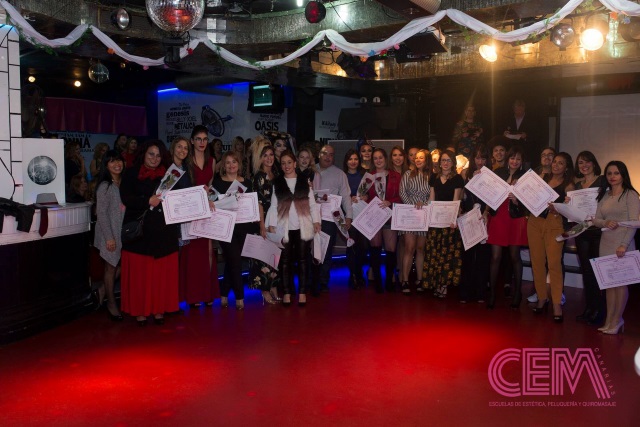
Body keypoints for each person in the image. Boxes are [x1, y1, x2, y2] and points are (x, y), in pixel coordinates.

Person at [120, 140, 179, 326]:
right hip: (140, 234)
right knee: (141, 276)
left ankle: (159, 310)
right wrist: (147, 201)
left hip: (164, 232)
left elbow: (179, 199)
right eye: (151, 154)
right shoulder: (131, 173)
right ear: (143, 154)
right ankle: (140, 312)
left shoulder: (170, 176)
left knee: (160, 275)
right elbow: (126, 198)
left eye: (158, 155)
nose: (154, 158)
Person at [266, 150, 321, 306]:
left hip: (304, 227)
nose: (286, 166)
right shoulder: (277, 183)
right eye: (283, 163)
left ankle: (302, 292)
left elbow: (312, 204)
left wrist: (316, 221)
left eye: (289, 162)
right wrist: (272, 225)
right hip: (284, 228)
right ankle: (287, 293)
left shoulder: (304, 181)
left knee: (303, 260)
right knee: (285, 261)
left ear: (295, 163)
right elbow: (274, 205)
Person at [592, 161, 639, 334]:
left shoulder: (631, 195)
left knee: (620, 285)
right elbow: (596, 220)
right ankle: (609, 320)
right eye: (609, 173)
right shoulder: (604, 195)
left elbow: (634, 223)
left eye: (616, 173)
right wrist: (606, 222)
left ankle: (618, 320)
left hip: (622, 245)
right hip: (606, 243)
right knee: (609, 285)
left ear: (623, 175)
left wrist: (624, 245)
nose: (612, 176)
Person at [528, 152, 575, 323]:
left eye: (560, 163)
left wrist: (561, 209)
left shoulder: (569, 185)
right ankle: (542, 298)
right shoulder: (542, 179)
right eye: (554, 162)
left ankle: (556, 303)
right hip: (534, 221)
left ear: (566, 167)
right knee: (537, 262)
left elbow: (571, 212)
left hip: (555, 224)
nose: (555, 165)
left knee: (554, 264)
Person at [178, 126, 219, 308]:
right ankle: (194, 295)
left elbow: (210, 187)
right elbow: (182, 187)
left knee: (208, 251)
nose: (202, 142)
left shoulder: (212, 161)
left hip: (207, 210)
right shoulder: (186, 162)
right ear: (192, 140)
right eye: (198, 139)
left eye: (205, 139)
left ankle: (207, 292)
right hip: (191, 210)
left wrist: (210, 197)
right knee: (192, 253)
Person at [485, 146, 528, 309]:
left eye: (518, 159)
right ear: (508, 159)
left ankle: (517, 292)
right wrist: (486, 212)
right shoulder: (498, 173)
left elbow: (529, 203)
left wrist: (518, 200)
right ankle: (492, 293)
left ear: (522, 162)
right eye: (512, 158)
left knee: (515, 256)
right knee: (495, 257)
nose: (515, 161)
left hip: (516, 219)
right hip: (498, 217)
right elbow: (489, 194)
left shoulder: (525, 177)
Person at [212, 151, 255, 310]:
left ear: (239, 164)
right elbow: (211, 203)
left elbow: (253, 206)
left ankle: (223, 293)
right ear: (223, 165)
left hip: (244, 228)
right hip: (225, 229)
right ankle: (239, 297)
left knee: (232, 261)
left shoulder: (248, 183)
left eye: (234, 162)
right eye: (228, 162)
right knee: (235, 260)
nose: (231, 165)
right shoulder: (217, 183)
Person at [423, 150, 463, 299]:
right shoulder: (433, 177)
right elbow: (431, 199)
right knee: (435, 253)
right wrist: (427, 214)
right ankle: (436, 283)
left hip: (449, 222)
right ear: (439, 162)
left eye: (448, 160)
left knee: (446, 255)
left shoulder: (457, 179)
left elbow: (456, 201)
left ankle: (444, 285)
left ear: (453, 163)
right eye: (443, 160)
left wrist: (453, 219)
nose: (445, 163)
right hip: (435, 221)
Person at [573, 151, 607, 325]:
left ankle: (600, 310)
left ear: (594, 163)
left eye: (587, 162)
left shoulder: (603, 181)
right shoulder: (577, 186)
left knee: (597, 271)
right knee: (586, 271)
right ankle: (589, 308)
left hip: (598, 232)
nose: (584, 165)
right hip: (582, 231)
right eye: (580, 163)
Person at [314, 144, 353, 294]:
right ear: (319, 154)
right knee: (312, 251)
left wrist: (348, 216)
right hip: (311, 218)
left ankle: (323, 283)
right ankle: (311, 281)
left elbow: (345, 197)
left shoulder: (339, 174)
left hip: (329, 219)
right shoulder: (311, 170)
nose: (328, 157)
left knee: (326, 251)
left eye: (331, 154)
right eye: (325, 153)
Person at [362, 147, 401, 293]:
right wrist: (364, 198)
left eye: (381, 157)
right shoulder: (368, 177)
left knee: (391, 249)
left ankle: (389, 280)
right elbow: (363, 195)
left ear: (386, 159)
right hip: (374, 217)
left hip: (390, 216)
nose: (378, 160)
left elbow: (401, 196)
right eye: (375, 158)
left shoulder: (396, 176)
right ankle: (377, 280)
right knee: (375, 248)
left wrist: (390, 201)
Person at [93, 149, 126, 321]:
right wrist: (109, 238)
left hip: (123, 232)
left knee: (123, 266)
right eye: (112, 161)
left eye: (119, 160)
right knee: (110, 267)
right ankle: (111, 303)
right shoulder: (105, 186)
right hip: (109, 232)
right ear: (106, 165)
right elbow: (102, 214)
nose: (117, 164)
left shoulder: (125, 183)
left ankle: (102, 290)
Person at [459, 145, 491, 303]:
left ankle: (480, 292)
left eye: (483, 158)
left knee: (483, 258)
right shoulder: (465, 174)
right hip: (468, 219)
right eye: (477, 157)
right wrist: (461, 212)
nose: (480, 161)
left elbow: (493, 199)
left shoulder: (491, 176)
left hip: (483, 219)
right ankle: (465, 291)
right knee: (468, 257)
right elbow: (461, 197)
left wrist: (486, 212)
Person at [250, 145, 281, 304]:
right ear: (260, 158)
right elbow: (259, 204)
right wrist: (262, 226)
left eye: (271, 155)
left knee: (274, 255)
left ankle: (274, 286)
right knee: (262, 258)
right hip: (263, 220)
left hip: (276, 220)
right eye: (265, 155)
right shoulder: (259, 177)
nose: (269, 158)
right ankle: (264, 291)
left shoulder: (276, 173)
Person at [399, 149, 431, 294]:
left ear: (426, 160)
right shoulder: (407, 174)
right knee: (409, 248)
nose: (418, 160)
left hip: (424, 216)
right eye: (416, 158)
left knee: (420, 249)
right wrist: (412, 206)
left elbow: (432, 194)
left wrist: (423, 204)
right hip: (409, 215)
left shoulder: (430, 176)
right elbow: (402, 192)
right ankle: (405, 280)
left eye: (421, 158)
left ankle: (420, 279)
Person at [343, 148, 367, 289]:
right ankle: (353, 275)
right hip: (349, 216)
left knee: (363, 247)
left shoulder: (365, 175)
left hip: (363, 215)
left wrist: (366, 197)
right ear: (346, 161)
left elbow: (371, 192)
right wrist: (348, 198)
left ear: (359, 161)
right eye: (350, 159)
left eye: (355, 159)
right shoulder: (342, 176)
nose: (353, 162)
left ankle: (359, 273)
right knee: (351, 246)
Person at [504, 99, 537, 165]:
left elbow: (536, 135)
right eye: (516, 110)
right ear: (513, 109)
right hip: (512, 152)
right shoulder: (509, 119)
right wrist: (505, 134)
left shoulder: (531, 120)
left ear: (524, 109)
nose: (518, 112)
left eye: (520, 110)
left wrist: (526, 136)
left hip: (526, 153)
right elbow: (503, 132)